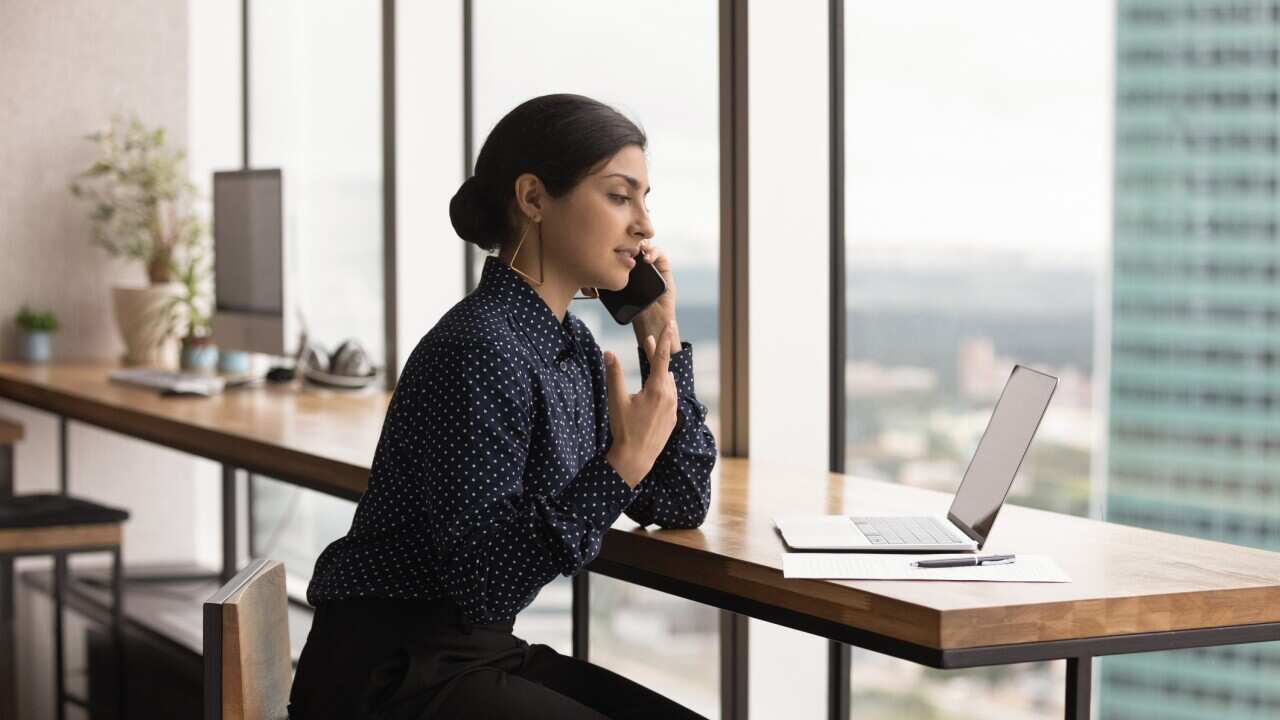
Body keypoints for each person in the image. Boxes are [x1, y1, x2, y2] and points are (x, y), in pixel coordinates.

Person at [288, 93, 718, 719]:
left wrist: (661, 337)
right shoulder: (479, 349)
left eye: (646, 200)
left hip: (476, 655)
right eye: (620, 196)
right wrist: (621, 464)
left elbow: (679, 500)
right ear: (535, 198)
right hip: (389, 674)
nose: (645, 225)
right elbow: (484, 583)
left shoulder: (572, 348)